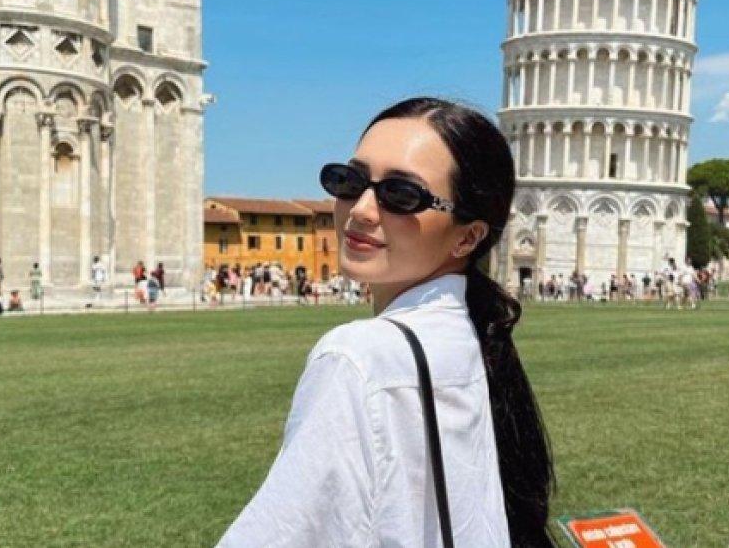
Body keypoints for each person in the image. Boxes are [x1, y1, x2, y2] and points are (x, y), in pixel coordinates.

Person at [218, 98, 555, 546]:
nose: (360, 209)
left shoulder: (361, 357)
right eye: (349, 180)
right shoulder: (470, 339)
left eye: (401, 195)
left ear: (468, 235)